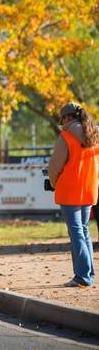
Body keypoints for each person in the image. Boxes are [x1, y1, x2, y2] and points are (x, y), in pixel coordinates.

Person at [48, 102, 99, 287]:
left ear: (67, 118)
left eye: (62, 119)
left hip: (70, 190)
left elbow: (55, 167)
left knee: (76, 232)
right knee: (84, 231)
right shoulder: (94, 135)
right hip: (89, 188)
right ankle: (88, 274)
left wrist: (54, 183)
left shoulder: (66, 136)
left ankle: (82, 277)